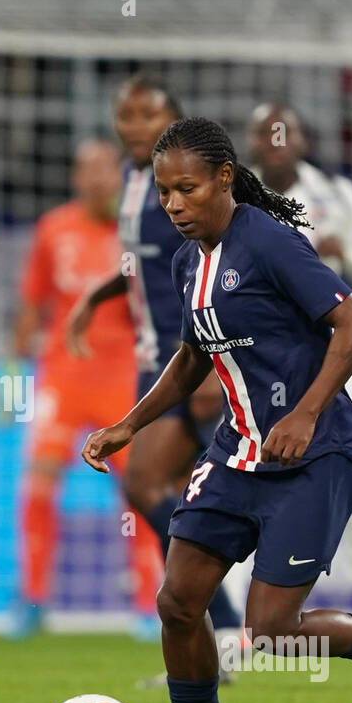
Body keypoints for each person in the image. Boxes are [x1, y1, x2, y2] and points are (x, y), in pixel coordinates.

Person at [82, 117, 352, 703]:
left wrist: (306, 413)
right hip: (238, 454)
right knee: (177, 603)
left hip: (314, 456)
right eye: (166, 192)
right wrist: (130, 424)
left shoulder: (271, 244)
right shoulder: (185, 261)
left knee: (272, 631)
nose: (173, 204)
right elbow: (194, 355)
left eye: (188, 189)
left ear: (225, 179)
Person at [65, 75, 241, 645]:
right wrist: (95, 297)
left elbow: (219, 267)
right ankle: (223, 627)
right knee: (180, 494)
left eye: (148, 115)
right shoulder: (135, 182)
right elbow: (144, 262)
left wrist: (215, 359)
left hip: (189, 357)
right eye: (126, 114)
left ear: (174, 120)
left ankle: (228, 620)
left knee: (144, 485)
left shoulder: (186, 190)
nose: (134, 125)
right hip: (155, 359)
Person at [239, 101, 352, 631]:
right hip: (259, 363)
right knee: (243, 481)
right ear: (254, 143)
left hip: (335, 358)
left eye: (287, 132)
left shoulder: (337, 195)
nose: (277, 141)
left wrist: (344, 255)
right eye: (267, 133)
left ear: (303, 141)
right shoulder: (235, 197)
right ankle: (237, 633)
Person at [10, 138, 161, 638]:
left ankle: (145, 603)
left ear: (118, 176)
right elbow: (33, 303)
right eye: (86, 170)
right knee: (37, 484)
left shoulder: (138, 231)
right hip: (62, 376)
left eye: (104, 169)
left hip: (121, 378)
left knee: (138, 490)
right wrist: (11, 371)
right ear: (76, 178)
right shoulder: (54, 229)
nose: (96, 179)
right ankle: (32, 599)